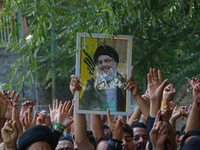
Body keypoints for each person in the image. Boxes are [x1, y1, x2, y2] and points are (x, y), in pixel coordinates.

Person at [72, 45, 126, 111]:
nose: (103, 65)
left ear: (115, 62)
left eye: (107, 61)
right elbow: (83, 106)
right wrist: (76, 94)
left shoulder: (124, 82)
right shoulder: (91, 83)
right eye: (100, 62)